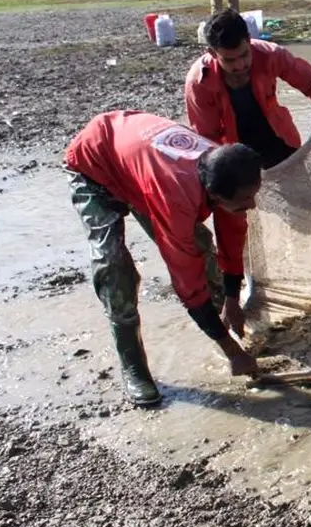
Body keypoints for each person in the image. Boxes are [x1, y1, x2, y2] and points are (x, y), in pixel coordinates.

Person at [66, 111, 264, 406]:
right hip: (95, 167)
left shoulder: (225, 167)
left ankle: (228, 322)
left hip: (140, 168)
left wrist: (233, 299)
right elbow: (186, 280)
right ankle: (134, 365)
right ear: (214, 193)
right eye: (244, 200)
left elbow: (232, 241)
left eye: (253, 195)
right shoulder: (176, 197)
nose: (252, 204)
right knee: (114, 267)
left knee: (201, 244)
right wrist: (232, 355)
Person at [185, 9, 311, 169]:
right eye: (229, 60)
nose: (240, 65)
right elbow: (206, 138)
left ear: (249, 40)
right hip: (235, 154)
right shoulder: (199, 82)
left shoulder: (271, 55)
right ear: (212, 53)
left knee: (302, 191)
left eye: (244, 55)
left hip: (279, 139)